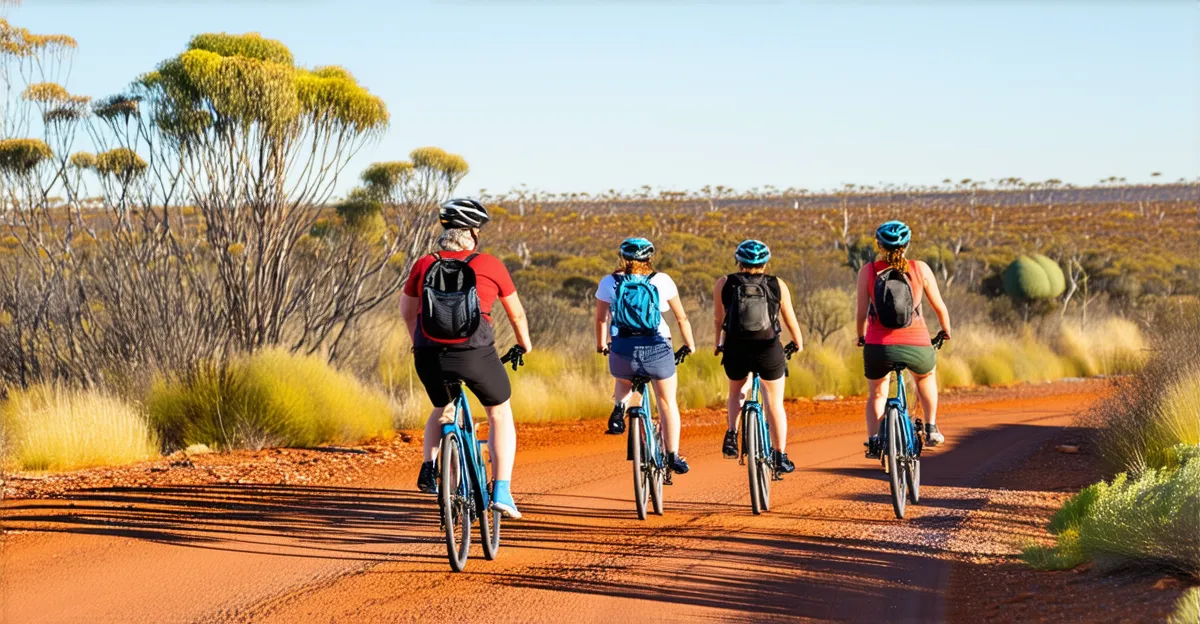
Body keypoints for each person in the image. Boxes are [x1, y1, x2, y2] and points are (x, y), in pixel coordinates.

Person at [401, 198, 533, 518]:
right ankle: (501, 489)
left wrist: (420, 343)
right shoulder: (490, 264)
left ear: (445, 231)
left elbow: (407, 313)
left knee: (441, 407)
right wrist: (524, 344)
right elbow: (516, 315)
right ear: (473, 233)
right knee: (499, 413)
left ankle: (429, 468)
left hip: (429, 355)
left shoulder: (424, 263)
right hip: (475, 354)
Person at [594, 237, 697, 475]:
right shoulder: (662, 281)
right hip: (657, 346)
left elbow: (601, 319)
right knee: (667, 402)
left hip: (622, 346)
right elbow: (682, 318)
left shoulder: (609, 282)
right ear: (649, 258)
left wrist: (602, 345)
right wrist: (689, 345)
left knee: (623, 380)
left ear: (623, 258)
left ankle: (620, 408)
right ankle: (672, 455)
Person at [855, 220, 952, 459]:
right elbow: (940, 307)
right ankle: (930, 428)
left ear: (879, 245)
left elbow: (860, 313)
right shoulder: (920, 269)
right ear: (907, 244)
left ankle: (874, 440)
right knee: (925, 377)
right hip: (917, 344)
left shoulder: (868, 271)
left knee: (877, 394)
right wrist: (945, 331)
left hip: (879, 347)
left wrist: (861, 336)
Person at [713, 240, 804, 474]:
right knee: (774, 402)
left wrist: (718, 343)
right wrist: (798, 340)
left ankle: (732, 435)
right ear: (765, 263)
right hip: (768, 348)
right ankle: (780, 454)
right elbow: (789, 315)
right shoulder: (777, 284)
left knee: (735, 392)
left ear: (739, 261)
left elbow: (719, 319)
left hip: (735, 348)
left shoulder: (724, 283)